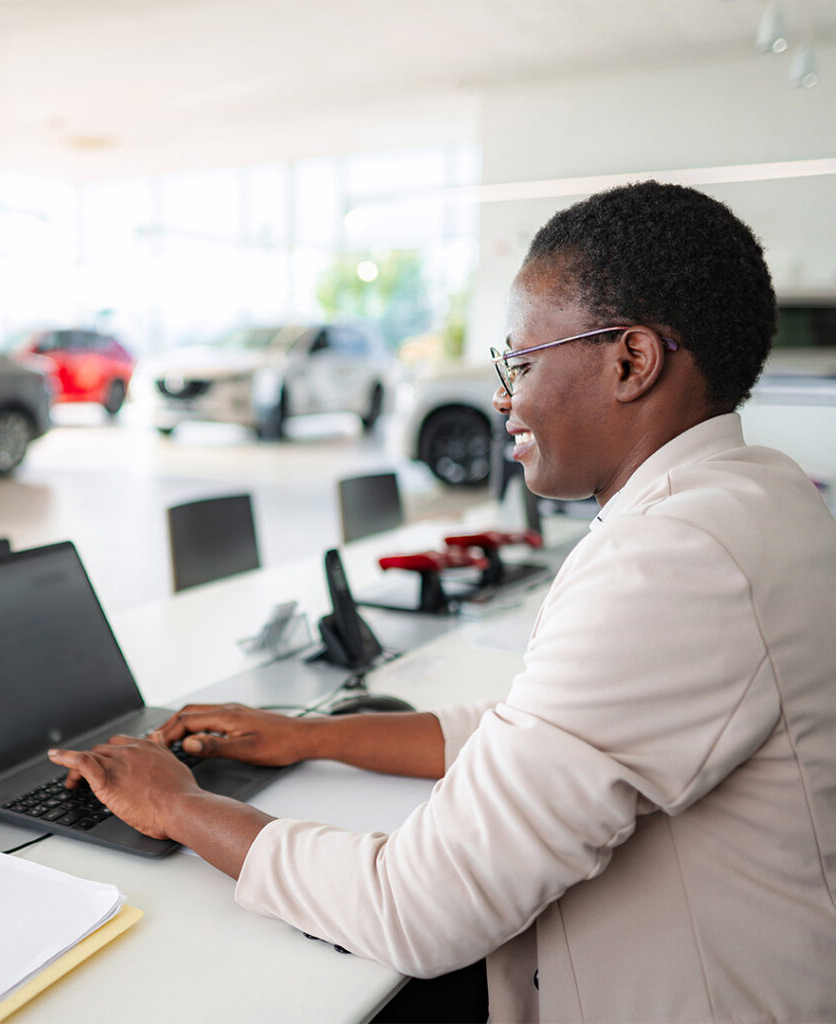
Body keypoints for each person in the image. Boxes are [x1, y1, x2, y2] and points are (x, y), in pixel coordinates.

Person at [50, 181, 836, 1023]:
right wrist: (308, 735)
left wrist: (179, 804)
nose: (504, 397)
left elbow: (416, 909)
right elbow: (534, 735)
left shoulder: (675, 559)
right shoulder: (761, 497)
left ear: (631, 362)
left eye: (522, 363)